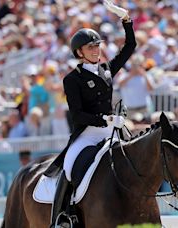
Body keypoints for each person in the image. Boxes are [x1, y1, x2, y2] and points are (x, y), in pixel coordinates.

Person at [43, 1, 137, 227]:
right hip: (86, 133)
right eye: (91, 47)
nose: (96, 50)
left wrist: (126, 20)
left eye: (97, 46)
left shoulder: (106, 70)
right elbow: (77, 115)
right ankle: (62, 217)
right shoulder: (72, 79)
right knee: (68, 168)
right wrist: (104, 119)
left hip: (111, 130)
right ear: (80, 52)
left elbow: (130, 47)